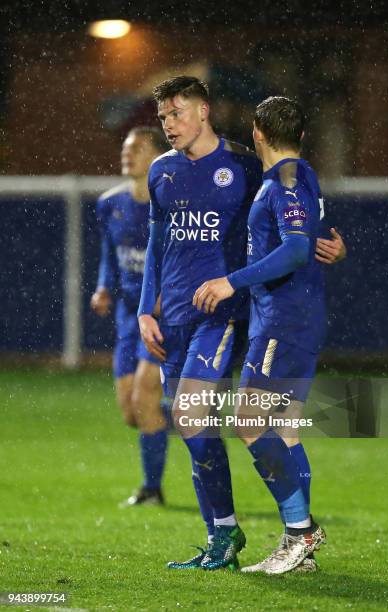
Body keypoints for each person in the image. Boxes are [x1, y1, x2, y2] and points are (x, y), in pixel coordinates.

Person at [138, 77, 345, 570]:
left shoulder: (248, 167)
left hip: (225, 314)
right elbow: (156, 245)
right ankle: (225, 534)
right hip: (178, 318)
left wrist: (329, 245)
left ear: (204, 110)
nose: (169, 124)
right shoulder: (161, 172)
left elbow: (294, 222)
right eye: (163, 116)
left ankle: (296, 533)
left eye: (178, 113)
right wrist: (148, 307)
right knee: (200, 426)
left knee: (200, 415)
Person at [193, 96, 331, 573]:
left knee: (249, 422)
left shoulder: (288, 179)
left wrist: (232, 280)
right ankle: (300, 550)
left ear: (257, 132)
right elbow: (305, 240)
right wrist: (323, 243)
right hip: (295, 317)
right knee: (286, 430)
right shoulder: (294, 176)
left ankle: (301, 530)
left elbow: (294, 250)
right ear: (301, 134)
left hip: (284, 320)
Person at [91, 126, 170, 506]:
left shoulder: (172, 206)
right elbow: (111, 253)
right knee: (131, 411)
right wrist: (104, 286)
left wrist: (164, 297)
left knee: (144, 397)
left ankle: (151, 490)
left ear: (157, 156)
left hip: (161, 316)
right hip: (127, 316)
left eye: (137, 148)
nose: (127, 154)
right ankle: (191, 418)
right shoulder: (110, 203)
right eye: (125, 148)